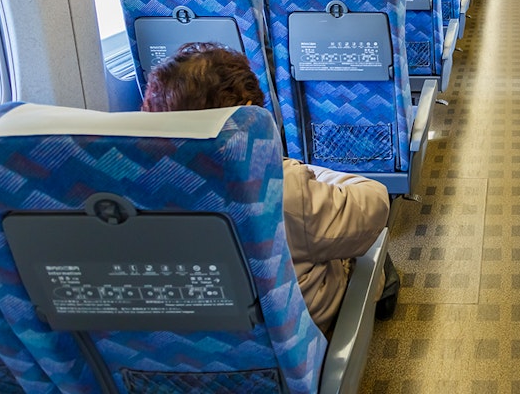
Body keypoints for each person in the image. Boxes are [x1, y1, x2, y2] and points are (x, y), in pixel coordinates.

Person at [141, 42, 396, 334]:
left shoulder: (130, 186)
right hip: (293, 341)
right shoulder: (276, 186)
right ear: (250, 116)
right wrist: (294, 168)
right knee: (367, 242)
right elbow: (374, 204)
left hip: (184, 345)